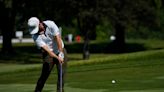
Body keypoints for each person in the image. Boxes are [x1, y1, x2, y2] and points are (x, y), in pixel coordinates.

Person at [27, 17, 67, 92]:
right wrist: (57, 58)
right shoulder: (35, 36)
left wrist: (61, 53)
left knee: (61, 73)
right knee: (44, 75)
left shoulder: (50, 24)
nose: (37, 31)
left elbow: (58, 38)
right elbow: (48, 51)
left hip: (60, 48)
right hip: (48, 54)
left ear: (40, 23)